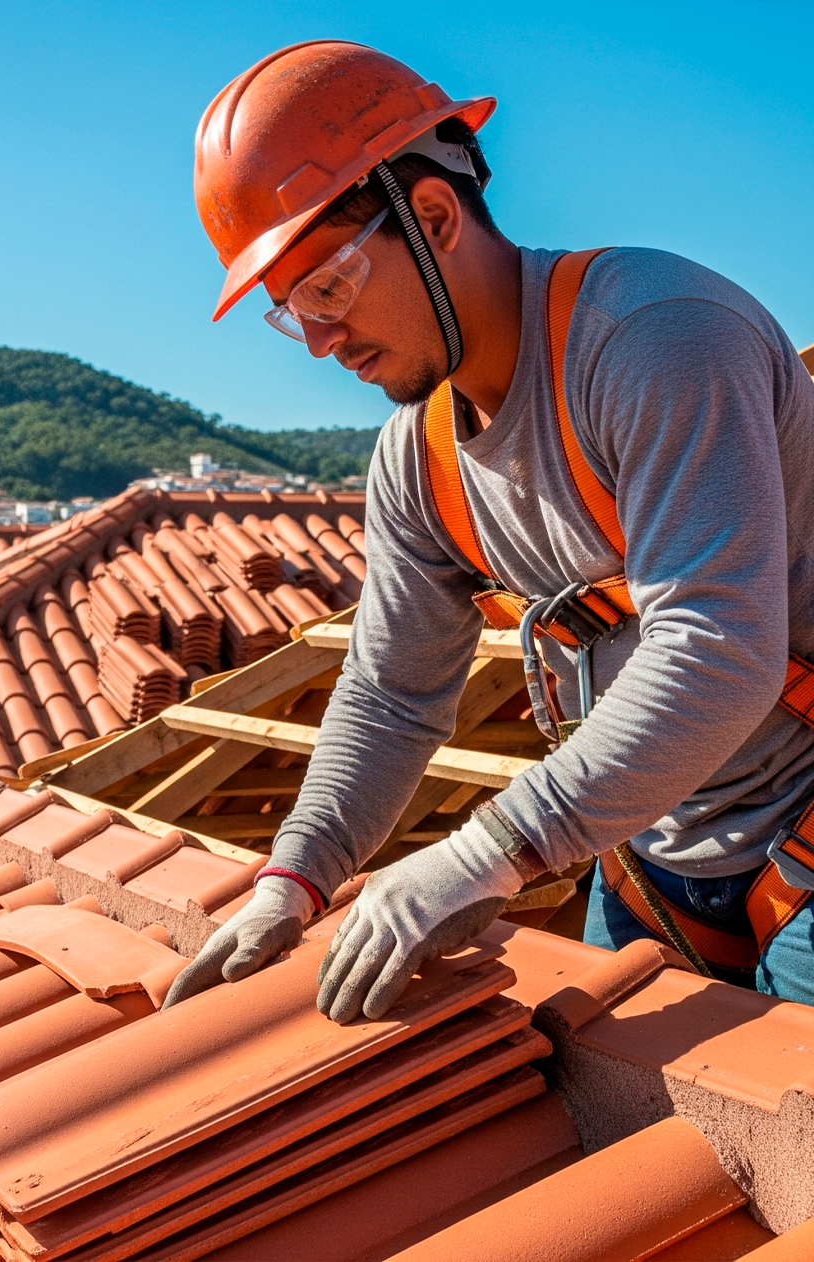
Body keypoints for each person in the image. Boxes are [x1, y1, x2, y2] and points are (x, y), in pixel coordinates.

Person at [163, 40, 814, 1021]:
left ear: (432, 216)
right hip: (657, 847)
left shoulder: (656, 338)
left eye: (328, 288)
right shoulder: (418, 460)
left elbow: (719, 643)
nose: (322, 342)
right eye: (292, 314)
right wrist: (294, 876)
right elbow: (391, 694)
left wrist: (489, 849)